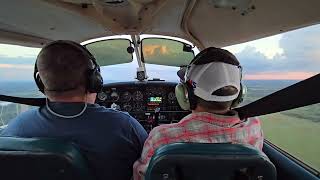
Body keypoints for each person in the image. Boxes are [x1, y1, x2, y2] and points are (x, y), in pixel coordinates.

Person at [1, 40, 148, 180]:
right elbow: (150, 166)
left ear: (41, 82)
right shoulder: (124, 126)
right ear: (94, 80)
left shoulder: (14, 128)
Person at [133, 47, 263, 180]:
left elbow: (141, 176)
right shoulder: (253, 126)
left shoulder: (161, 137)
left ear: (186, 95)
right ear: (239, 95)